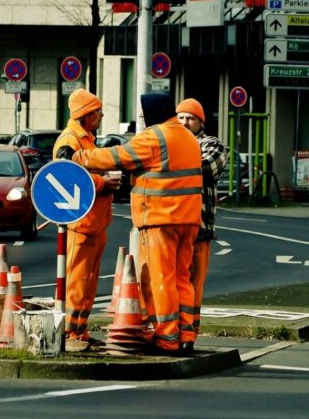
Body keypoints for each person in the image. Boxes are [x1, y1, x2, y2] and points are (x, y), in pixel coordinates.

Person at [60, 92, 203, 357]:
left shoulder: (155, 136)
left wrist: (79, 158)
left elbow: (117, 157)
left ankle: (167, 338)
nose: (141, 117)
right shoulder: (188, 137)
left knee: (161, 279)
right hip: (190, 220)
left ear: (153, 112)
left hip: (160, 219)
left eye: (143, 112)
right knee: (183, 278)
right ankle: (186, 335)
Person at [52, 88, 121, 352]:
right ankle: (71, 332)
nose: (102, 115)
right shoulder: (70, 141)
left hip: (93, 222)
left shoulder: (85, 139)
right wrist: (104, 183)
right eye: (97, 111)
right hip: (81, 223)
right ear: (83, 115)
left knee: (88, 280)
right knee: (77, 279)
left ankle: (79, 330)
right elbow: (67, 174)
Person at [176, 98, 227, 339]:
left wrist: (170, 162)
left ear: (200, 122)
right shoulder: (172, 143)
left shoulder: (212, 144)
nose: (185, 122)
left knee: (194, 283)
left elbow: (205, 168)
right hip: (172, 225)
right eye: (181, 117)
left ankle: (189, 332)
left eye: (191, 118)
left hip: (200, 227)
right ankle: (171, 330)